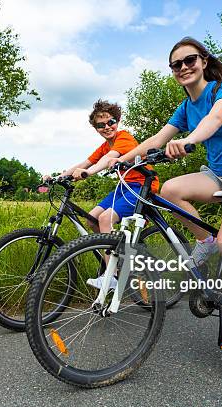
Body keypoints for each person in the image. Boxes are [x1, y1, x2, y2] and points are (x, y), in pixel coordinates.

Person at [109, 37, 222, 351]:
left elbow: (214, 120)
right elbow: (159, 138)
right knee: (170, 190)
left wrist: (190, 142)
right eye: (177, 64)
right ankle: (205, 240)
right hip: (219, 175)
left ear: (203, 61)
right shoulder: (186, 106)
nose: (184, 67)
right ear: (172, 71)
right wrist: (124, 159)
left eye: (190, 60)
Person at [42, 99, 159, 289]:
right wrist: (57, 177)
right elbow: (85, 162)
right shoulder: (105, 145)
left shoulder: (124, 138)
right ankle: (117, 256)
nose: (107, 127)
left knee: (105, 219)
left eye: (110, 122)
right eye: (100, 125)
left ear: (117, 121)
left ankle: (112, 275)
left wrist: (90, 173)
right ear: (96, 128)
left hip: (142, 186)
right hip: (124, 186)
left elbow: (108, 159)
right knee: (92, 219)